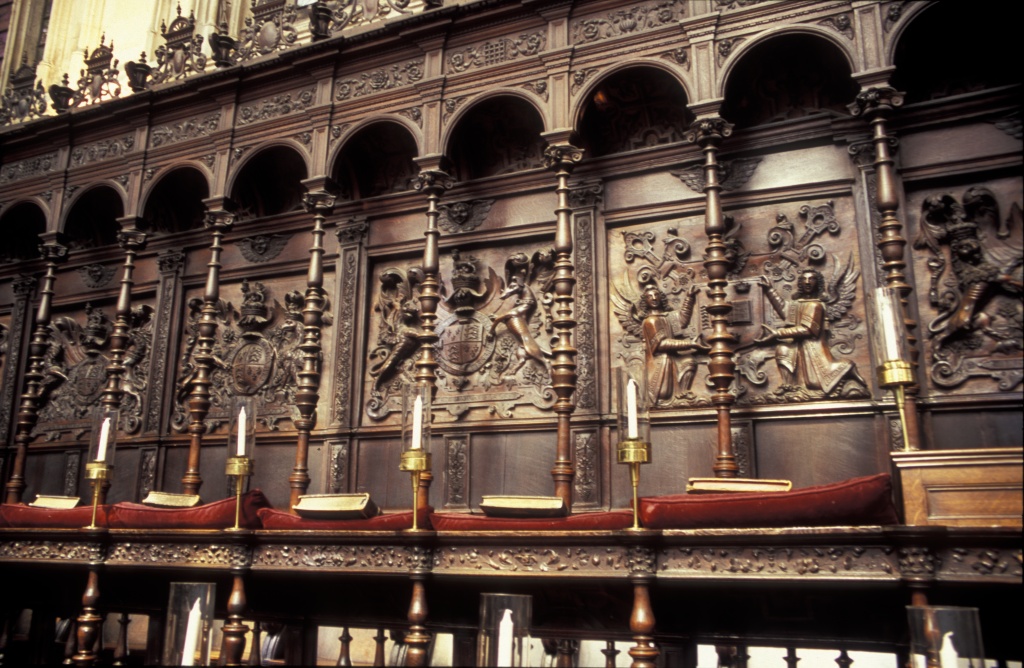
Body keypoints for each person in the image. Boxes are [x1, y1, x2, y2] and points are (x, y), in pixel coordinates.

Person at [756, 268, 864, 394]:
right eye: (804, 279)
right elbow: (784, 310)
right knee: (782, 349)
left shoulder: (815, 305)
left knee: (815, 383)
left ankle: (846, 367)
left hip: (813, 347)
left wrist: (778, 333)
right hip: (798, 346)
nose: (807, 282)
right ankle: (788, 386)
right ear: (800, 283)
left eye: (811, 279)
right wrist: (769, 290)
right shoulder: (797, 304)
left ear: (818, 283)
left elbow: (808, 330)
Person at [641, 284, 705, 404]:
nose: (654, 298)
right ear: (645, 301)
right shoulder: (651, 321)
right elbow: (661, 344)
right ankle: (667, 397)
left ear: (661, 297)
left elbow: (682, 321)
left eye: (656, 295)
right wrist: (690, 344)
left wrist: (689, 298)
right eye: (650, 296)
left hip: (673, 358)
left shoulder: (667, 316)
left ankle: (682, 393)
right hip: (660, 361)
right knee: (664, 392)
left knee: (689, 361)